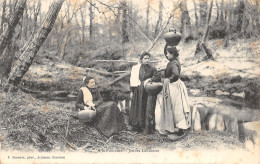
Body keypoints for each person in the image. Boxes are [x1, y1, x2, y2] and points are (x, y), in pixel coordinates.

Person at [156, 45, 191, 140]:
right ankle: (174, 127)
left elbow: (176, 74)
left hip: (174, 87)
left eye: (167, 53)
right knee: (174, 107)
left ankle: (181, 130)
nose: (166, 55)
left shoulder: (173, 63)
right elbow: (173, 72)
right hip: (174, 85)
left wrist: (168, 79)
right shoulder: (173, 61)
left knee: (177, 108)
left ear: (172, 54)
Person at [129, 51, 161, 134]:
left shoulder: (152, 68)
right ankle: (137, 127)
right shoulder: (137, 68)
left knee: (146, 108)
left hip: (147, 92)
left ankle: (146, 127)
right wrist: (132, 91)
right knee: (137, 108)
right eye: (145, 58)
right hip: (138, 91)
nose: (147, 60)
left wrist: (149, 79)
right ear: (141, 60)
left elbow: (157, 77)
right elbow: (133, 80)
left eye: (148, 58)